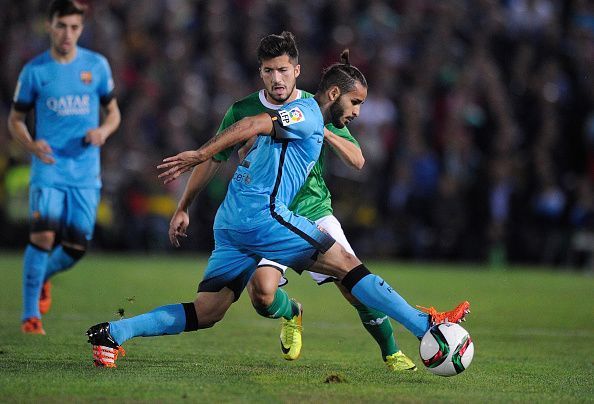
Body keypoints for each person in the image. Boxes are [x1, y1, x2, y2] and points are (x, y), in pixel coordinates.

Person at [86, 49, 469, 368]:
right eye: (355, 102)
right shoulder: (308, 114)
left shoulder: (314, 120)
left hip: (231, 221)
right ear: (334, 93)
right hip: (263, 217)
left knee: (208, 311)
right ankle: (426, 326)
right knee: (348, 267)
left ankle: (114, 334)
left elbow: (340, 154)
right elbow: (255, 122)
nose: (357, 112)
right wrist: (202, 153)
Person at [167, 32, 415, 371]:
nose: (276, 78)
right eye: (269, 71)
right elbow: (214, 160)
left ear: (296, 70)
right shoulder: (243, 110)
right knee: (262, 295)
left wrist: (321, 130)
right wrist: (184, 206)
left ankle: (391, 351)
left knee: (351, 283)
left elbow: (357, 160)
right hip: (269, 215)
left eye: (283, 70)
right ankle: (292, 313)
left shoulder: (315, 108)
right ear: (261, 73)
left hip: (313, 210)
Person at [8, 0, 121, 335]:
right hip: (48, 167)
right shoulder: (35, 71)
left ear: (81, 29)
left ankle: (41, 277)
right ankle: (31, 317)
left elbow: (114, 113)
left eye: (74, 27)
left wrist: (102, 131)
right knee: (42, 236)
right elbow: (15, 120)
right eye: (61, 26)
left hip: (85, 172)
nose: (67, 33)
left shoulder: (96, 66)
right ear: (50, 26)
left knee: (75, 247)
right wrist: (30, 144)